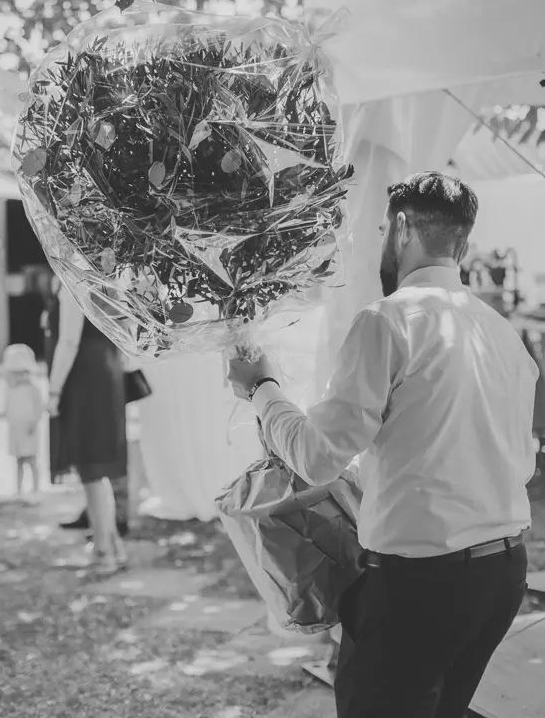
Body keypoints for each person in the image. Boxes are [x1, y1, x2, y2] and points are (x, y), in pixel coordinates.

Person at [229, 172, 537, 718]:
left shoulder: (388, 320)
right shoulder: (505, 335)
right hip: (503, 574)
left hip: (421, 586)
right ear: (461, 243)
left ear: (399, 228)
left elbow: (318, 457)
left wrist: (260, 387)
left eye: (378, 230)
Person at [48, 284, 128, 575]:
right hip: (105, 373)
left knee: (91, 470)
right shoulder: (106, 279)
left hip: (84, 380)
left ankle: (103, 552)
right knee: (94, 470)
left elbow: (69, 340)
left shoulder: (74, 282)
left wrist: (54, 390)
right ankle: (113, 547)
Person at [0, 344, 44, 499]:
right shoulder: (10, 391)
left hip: (28, 429)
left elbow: (39, 408)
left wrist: (34, 422)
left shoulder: (33, 389)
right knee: (19, 461)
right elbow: (8, 412)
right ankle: (19, 489)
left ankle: (35, 488)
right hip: (16, 431)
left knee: (31, 459)